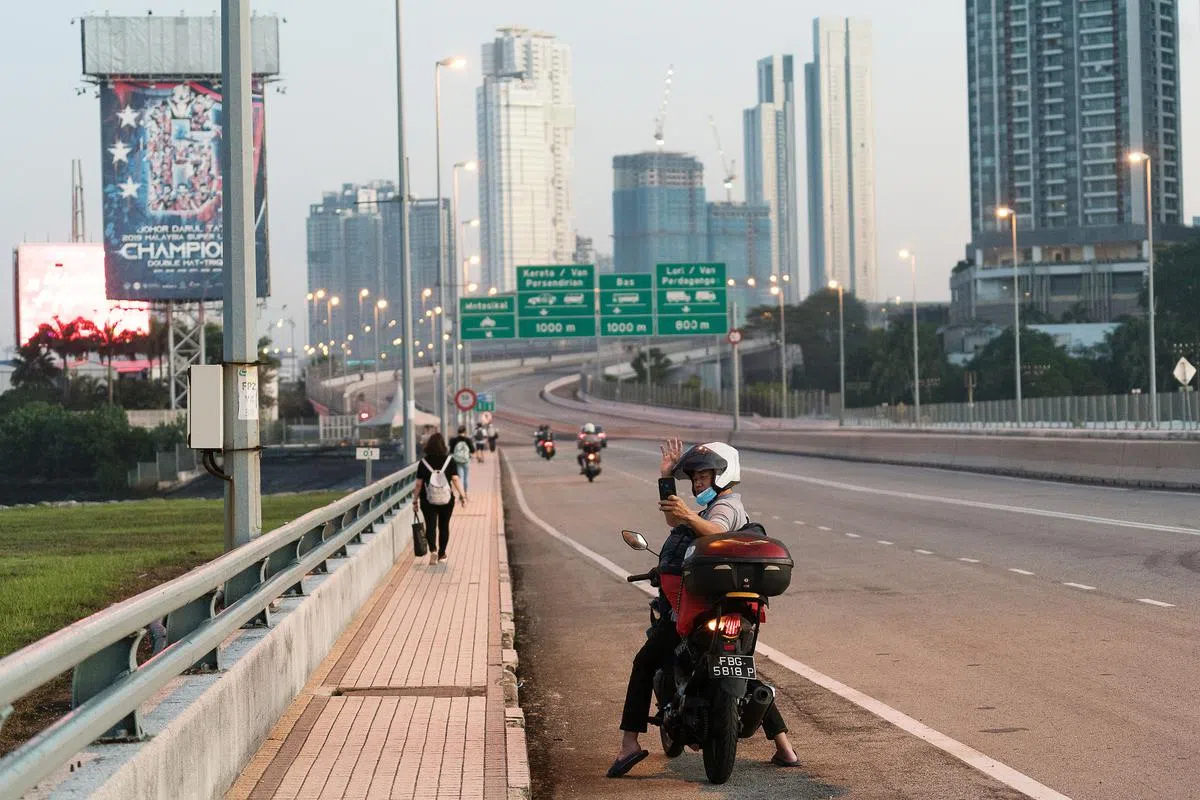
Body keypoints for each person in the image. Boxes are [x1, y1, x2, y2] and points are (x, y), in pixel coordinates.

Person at [608, 438, 800, 778]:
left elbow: (715, 532)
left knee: (646, 661)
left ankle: (629, 745)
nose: (698, 483)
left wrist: (686, 516)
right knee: (739, 668)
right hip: (722, 609)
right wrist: (667, 479)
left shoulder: (726, 507)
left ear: (723, 476)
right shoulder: (709, 509)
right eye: (694, 478)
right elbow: (676, 522)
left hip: (697, 610)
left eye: (704, 476)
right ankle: (784, 747)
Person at [411, 432, 468, 566]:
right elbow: (455, 479)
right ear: (443, 445)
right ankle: (442, 554)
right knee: (444, 526)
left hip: (428, 499)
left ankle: (433, 550)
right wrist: (462, 495)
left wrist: (415, 501)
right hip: (446, 500)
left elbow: (418, 484)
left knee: (430, 525)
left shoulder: (423, 462)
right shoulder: (450, 461)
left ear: (429, 445)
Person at [449, 425, 476, 491]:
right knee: (466, 478)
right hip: (466, 460)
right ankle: (465, 493)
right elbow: (473, 450)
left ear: (458, 432)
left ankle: (461, 494)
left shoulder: (454, 440)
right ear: (465, 432)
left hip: (457, 461)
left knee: (460, 477)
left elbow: (451, 451)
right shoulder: (468, 440)